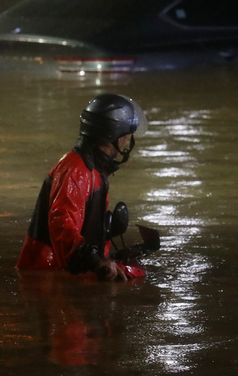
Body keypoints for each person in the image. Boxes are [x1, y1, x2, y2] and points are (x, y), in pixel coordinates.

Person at [16, 93, 148, 281]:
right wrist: (95, 261)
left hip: (67, 272)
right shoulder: (76, 170)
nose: (126, 141)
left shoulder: (94, 171)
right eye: (125, 136)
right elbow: (62, 223)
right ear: (114, 136)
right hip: (47, 276)